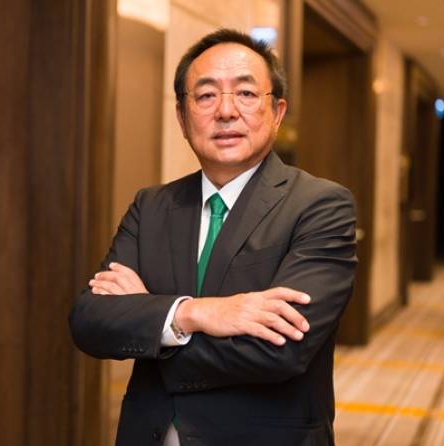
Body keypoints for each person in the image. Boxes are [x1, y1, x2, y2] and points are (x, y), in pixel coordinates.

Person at [69, 28, 357, 446]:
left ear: (277, 112)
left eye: (246, 93)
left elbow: (281, 349)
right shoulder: (152, 206)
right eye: (205, 96)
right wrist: (193, 313)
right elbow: (90, 322)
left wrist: (151, 323)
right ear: (182, 118)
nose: (225, 111)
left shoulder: (320, 206)